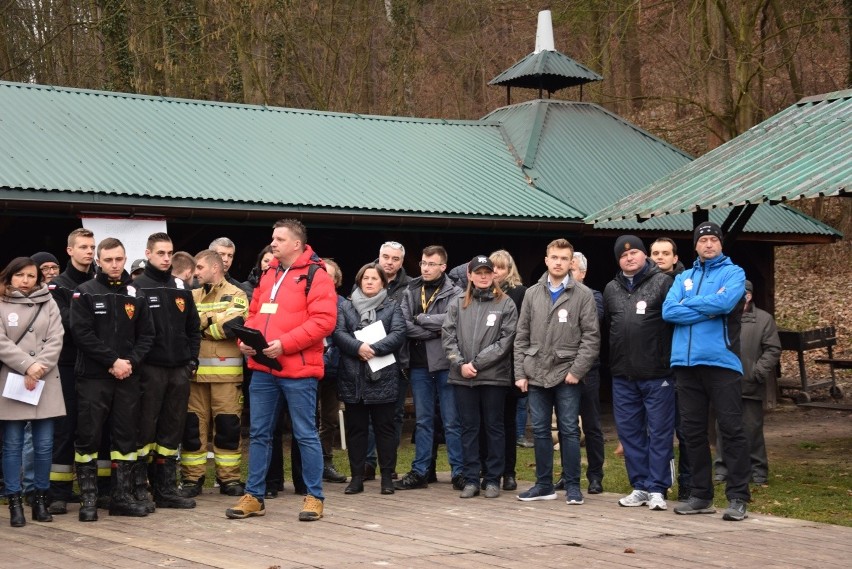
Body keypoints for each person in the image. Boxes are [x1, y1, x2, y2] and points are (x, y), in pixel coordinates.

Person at [226, 219, 337, 522]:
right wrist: (244, 340)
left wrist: (285, 344)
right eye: (272, 237)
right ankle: (254, 496)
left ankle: (314, 497)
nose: (272, 243)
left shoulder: (317, 275)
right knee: (259, 434)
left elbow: (323, 322)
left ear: (297, 244)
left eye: (279, 239)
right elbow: (254, 313)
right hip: (263, 368)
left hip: (298, 371)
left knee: (305, 435)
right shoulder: (268, 272)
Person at [663, 221, 750, 521]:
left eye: (714, 239)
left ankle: (738, 497)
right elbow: (668, 311)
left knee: (731, 430)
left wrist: (692, 304)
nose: (709, 244)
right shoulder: (683, 277)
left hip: (721, 363)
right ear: (695, 246)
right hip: (685, 366)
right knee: (692, 433)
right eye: (703, 240)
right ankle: (701, 496)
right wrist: (706, 307)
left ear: (721, 244)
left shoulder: (733, 273)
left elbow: (726, 303)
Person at [70, 237, 155, 521]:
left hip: (127, 377)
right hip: (94, 378)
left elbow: (147, 336)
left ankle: (122, 497)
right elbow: (82, 335)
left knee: (126, 437)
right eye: (109, 260)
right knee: (89, 437)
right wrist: (112, 361)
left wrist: (129, 362)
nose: (115, 265)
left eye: (119, 259)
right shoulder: (85, 292)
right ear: (99, 260)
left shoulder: (136, 294)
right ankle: (89, 500)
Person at [513, 238, 599, 506]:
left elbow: (591, 337)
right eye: (554, 257)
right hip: (536, 371)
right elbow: (521, 335)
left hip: (567, 373)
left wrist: (577, 370)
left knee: (569, 431)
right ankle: (543, 485)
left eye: (564, 258)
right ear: (547, 259)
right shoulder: (532, 293)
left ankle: (573, 486)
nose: (559, 262)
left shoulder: (582, 295)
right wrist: (520, 372)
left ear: (570, 262)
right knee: (539, 430)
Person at [604, 235, 676, 511]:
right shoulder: (611, 288)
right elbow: (611, 325)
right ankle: (640, 486)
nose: (629, 257)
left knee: (659, 432)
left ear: (645, 255)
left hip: (658, 373)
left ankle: (658, 488)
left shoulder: (663, 282)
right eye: (623, 255)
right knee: (630, 432)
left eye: (634, 252)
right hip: (623, 373)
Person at [132, 233, 200, 510]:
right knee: (144, 432)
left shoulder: (181, 287)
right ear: (148, 254)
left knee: (172, 432)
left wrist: (191, 361)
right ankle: (139, 488)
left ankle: (167, 489)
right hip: (149, 370)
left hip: (179, 371)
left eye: (169, 253)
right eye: (160, 253)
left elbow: (193, 329)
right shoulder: (136, 287)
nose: (165, 258)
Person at [443, 255, 517, 499]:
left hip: (493, 377)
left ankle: (493, 478)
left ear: (493, 275)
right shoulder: (457, 303)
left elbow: (505, 341)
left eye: (487, 272)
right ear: (470, 275)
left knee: (494, 427)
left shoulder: (505, 304)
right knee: (469, 428)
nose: (483, 276)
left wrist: (476, 363)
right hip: (463, 377)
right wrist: (461, 364)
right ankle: (472, 479)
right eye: (479, 272)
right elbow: (448, 336)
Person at [0, 257, 65, 527]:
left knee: (44, 446)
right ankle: (15, 501)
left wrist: (39, 368)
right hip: (13, 380)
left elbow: (56, 337)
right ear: (10, 277)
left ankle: (39, 498)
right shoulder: (1, 302)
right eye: (20, 276)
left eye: (30, 276)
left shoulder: (48, 302)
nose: (25, 281)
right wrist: (28, 365)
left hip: (45, 379)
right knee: (12, 446)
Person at [394, 245, 463, 491]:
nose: (425, 267)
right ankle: (420, 471)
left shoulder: (455, 292)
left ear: (443, 266)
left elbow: (452, 320)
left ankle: (459, 472)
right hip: (419, 365)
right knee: (423, 421)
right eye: (423, 263)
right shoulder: (411, 290)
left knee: (451, 421)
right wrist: (431, 331)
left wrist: (421, 320)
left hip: (445, 363)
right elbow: (402, 323)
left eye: (431, 264)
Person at [333, 263, 406, 495]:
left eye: (375, 278)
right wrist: (359, 348)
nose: (370, 282)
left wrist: (372, 348)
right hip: (353, 377)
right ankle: (356, 478)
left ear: (383, 282)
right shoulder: (345, 306)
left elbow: (398, 334)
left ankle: (386, 477)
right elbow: (338, 333)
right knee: (357, 430)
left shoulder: (393, 307)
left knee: (385, 429)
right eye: (365, 278)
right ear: (359, 281)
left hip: (383, 376)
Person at [180, 249, 247, 498]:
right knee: (192, 430)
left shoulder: (237, 294)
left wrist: (200, 322)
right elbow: (184, 325)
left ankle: (229, 479)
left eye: (199, 267)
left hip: (226, 378)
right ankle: (191, 479)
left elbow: (232, 326)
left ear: (215, 268)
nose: (195, 272)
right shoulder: (191, 295)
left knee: (228, 428)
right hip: (194, 377)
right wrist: (211, 321)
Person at [46, 228, 96, 515]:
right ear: (70, 250)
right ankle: (58, 493)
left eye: (91, 247)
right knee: (65, 431)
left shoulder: (101, 282)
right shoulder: (58, 287)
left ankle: (98, 490)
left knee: (96, 431)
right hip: (66, 366)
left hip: (96, 367)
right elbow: (69, 323)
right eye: (83, 247)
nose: (88, 252)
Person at [714, 280, 780, 485]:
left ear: (748, 296)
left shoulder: (763, 319)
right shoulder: (720, 317)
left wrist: (757, 372)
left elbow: (773, 349)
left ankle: (758, 470)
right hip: (724, 383)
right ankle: (723, 469)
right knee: (723, 427)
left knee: (752, 428)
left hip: (750, 383)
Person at [553, 251, 605, 496]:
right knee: (567, 426)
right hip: (562, 371)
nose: (566, 272)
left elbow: (588, 330)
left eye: (572, 269)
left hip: (588, 371)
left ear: (582, 273)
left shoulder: (594, 297)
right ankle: (567, 474)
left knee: (592, 425)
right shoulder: (555, 296)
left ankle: (595, 476)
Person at [364, 240, 412, 481]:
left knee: (393, 415)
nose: (389, 262)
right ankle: (367, 464)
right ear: (378, 256)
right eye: (385, 257)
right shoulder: (366, 278)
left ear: (402, 262)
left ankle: (388, 465)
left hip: (397, 360)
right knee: (368, 413)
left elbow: (409, 323)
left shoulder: (411, 286)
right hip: (366, 357)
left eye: (395, 259)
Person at [651, 236, 691, 501]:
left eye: (665, 253)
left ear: (675, 258)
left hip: (682, 365)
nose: (659, 257)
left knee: (687, 430)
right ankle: (660, 484)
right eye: (655, 253)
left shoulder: (687, 283)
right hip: (655, 368)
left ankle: (689, 486)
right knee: (658, 432)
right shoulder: (642, 283)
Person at [489, 249, 527, 491]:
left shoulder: (519, 293)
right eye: (493, 267)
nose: (496, 272)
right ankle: (489, 468)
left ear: (509, 269)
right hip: (488, 367)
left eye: (501, 267)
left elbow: (521, 331)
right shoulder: (482, 293)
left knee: (508, 422)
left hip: (510, 365)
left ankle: (509, 472)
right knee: (489, 422)